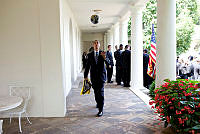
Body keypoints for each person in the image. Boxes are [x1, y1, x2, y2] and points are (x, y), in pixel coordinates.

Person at [84, 40, 109, 117]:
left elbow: (109, 64)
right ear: (93, 45)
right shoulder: (90, 55)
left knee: (101, 93)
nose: (96, 44)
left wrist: (105, 58)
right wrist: (85, 76)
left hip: (101, 77)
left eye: (97, 43)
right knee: (96, 92)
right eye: (95, 43)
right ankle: (98, 103)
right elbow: (87, 66)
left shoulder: (103, 53)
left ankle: (101, 110)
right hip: (93, 77)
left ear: (99, 45)